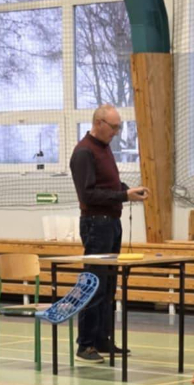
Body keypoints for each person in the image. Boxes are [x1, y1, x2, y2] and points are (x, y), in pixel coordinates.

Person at [69, 105, 148, 362]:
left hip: (111, 222)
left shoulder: (103, 149)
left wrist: (128, 191)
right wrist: (123, 195)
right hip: (95, 224)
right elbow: (89, 194)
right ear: (99, 122)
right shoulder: (84, 152)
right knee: (94, 284)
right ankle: (85, 344)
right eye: (113, 127)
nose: (116, 132)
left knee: (109, 285)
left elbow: (109, 186)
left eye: (118, 127)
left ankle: (102, 339)